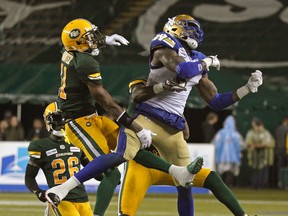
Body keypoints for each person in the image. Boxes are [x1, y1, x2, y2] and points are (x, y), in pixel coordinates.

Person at [45, 18, 204, 214]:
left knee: (131, 148)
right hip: (77, 122)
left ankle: (176, 172)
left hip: (91, 116)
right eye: (90, 38)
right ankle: (62, 192)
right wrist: (137, 127)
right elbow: (107, 103)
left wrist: (104, 40)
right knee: (112, 175)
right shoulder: (86, 62)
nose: (95, 40)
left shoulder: (69, 51)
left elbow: (75, 45)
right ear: (78, 43)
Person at [129, 14, 263, 216]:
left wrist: (246, 89)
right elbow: (183, 70)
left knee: (186, 183)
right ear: (174, 28)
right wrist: (208, 61)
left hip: (173, 127)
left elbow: (216, 101)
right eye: (188, 27)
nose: (194, 32)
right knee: (121, 157)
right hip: (148, 117)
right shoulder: (164, 42)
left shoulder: (198, 58)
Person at [25, 102, 94, 216]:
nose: (61, 122)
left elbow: (91, 169)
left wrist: (106, 173)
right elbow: (29, 176)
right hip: (60, 199)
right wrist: (38, 192)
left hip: (82, 198)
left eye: (64, 118)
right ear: (48, 121)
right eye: (57, 118)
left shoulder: (77, 142)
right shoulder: (41, 146)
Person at [214, 115, 245, 187]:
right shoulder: (235, 134)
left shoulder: (220, 133)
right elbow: (242, 145)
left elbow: (214, 143)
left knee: (220, 172)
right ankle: (228, 186)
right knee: (230, 172)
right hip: (232, 157)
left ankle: (219, 186)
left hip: (221, 157)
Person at [246, 117, 275, 189]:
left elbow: (265, 144)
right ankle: (255, 185)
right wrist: (254, 146)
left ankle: (263, 185)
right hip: (253, 156)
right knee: (254, 171)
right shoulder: (251, 132)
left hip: (264, 155)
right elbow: (248, 143)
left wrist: (255, 145)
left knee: (263, 170)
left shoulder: (266, 133)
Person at [275, 116, 288, 188]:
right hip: (285, 150)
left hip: (278, 150)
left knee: (279, 168)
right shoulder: (286, 129)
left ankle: (279, 182)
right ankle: (285, 183)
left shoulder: (277, 129)